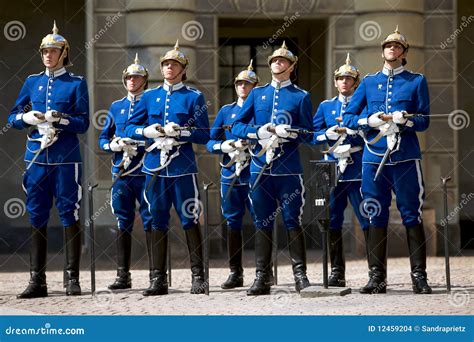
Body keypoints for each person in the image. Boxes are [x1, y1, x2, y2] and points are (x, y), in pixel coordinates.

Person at [343, 26, 432, 294]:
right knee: (373, 213)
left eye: (397, 46)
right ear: (382, 51)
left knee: (411, 215)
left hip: (405, 158)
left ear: (404, 52)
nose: (391, 49)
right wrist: (367, 121)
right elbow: (348, 117)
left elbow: (424, 120)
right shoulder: (369, 82)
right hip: (373, 158)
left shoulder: (416, 81)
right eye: (387, 46)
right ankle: (376, 279)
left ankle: (419, 277)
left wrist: (406, 120)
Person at [8, 21, 89, 298]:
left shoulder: (77, 83)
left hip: (66, 158)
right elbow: (12, 117)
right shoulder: (32, 82)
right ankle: (37, 281)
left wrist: (61, 119)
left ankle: (72, 279)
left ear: (64, 53)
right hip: (36, 158)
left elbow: (83, 123)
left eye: (53, 51)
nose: (48, 55)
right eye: (44, 51)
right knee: (36, 214)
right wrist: (26, 118)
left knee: (70, 214)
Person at [125, 41, 210, 295]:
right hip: (154, 169)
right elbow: (129, 127)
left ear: (183, 69)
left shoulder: (194, 97)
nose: (169, 68)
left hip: (182, 168)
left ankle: (198, 276)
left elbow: (204, 134)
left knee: (190, 219)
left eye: (174, 64)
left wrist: (182, 132)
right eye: (165, 64)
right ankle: (157, 279)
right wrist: (145, 131)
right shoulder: (149, 96)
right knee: (156, 221)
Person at [232, 41, 313, 295]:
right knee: (261, 221)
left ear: (291, 66)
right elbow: (237, 126)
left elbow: (309, 133)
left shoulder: (301, 96)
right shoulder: (257, 94)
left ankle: (300, 274)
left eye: (282, 61)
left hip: (288, 169)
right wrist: (258, 132)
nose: (277, 63)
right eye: (274, 60)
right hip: (260, 168)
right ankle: (262, 276)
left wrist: (289, 133)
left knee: (292, 220)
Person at [312, 53, 370, 287]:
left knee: (367, 217)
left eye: (349, 79)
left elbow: (371, 129)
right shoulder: (326, 106)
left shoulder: (363, 105)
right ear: (335, 82)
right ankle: (337, 271)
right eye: (340, 79)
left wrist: (355, 131)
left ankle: (375, 272)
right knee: (330, 218)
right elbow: (312, 135)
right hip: (331, 167)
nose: (344, 82)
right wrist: (326, 134)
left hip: (356, 166)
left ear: (356, 83)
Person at [98, 54, 153, 290]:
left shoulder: (152, 104)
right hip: (121, 172)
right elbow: (102, 138)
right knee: (123, 221)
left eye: (137, 77)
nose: (132, 80)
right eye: (129, 77)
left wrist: (139, 144)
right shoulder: (116, 106)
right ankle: (123, 275)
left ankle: (155, 275)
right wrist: (112, 145)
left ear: (145, 80)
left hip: (145, 170)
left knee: (151, 219)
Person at [206, 60, 258, 289]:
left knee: (261, 218)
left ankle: (262, 271)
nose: (243, 87)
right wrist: (224, 147)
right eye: (240, 84)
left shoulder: (261, 111)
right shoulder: (226, 111)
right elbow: (210, 141)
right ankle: (235, 272)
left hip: (256, 170)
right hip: (230, 172)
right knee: (232, 220)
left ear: (256, 87)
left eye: (248, 84)